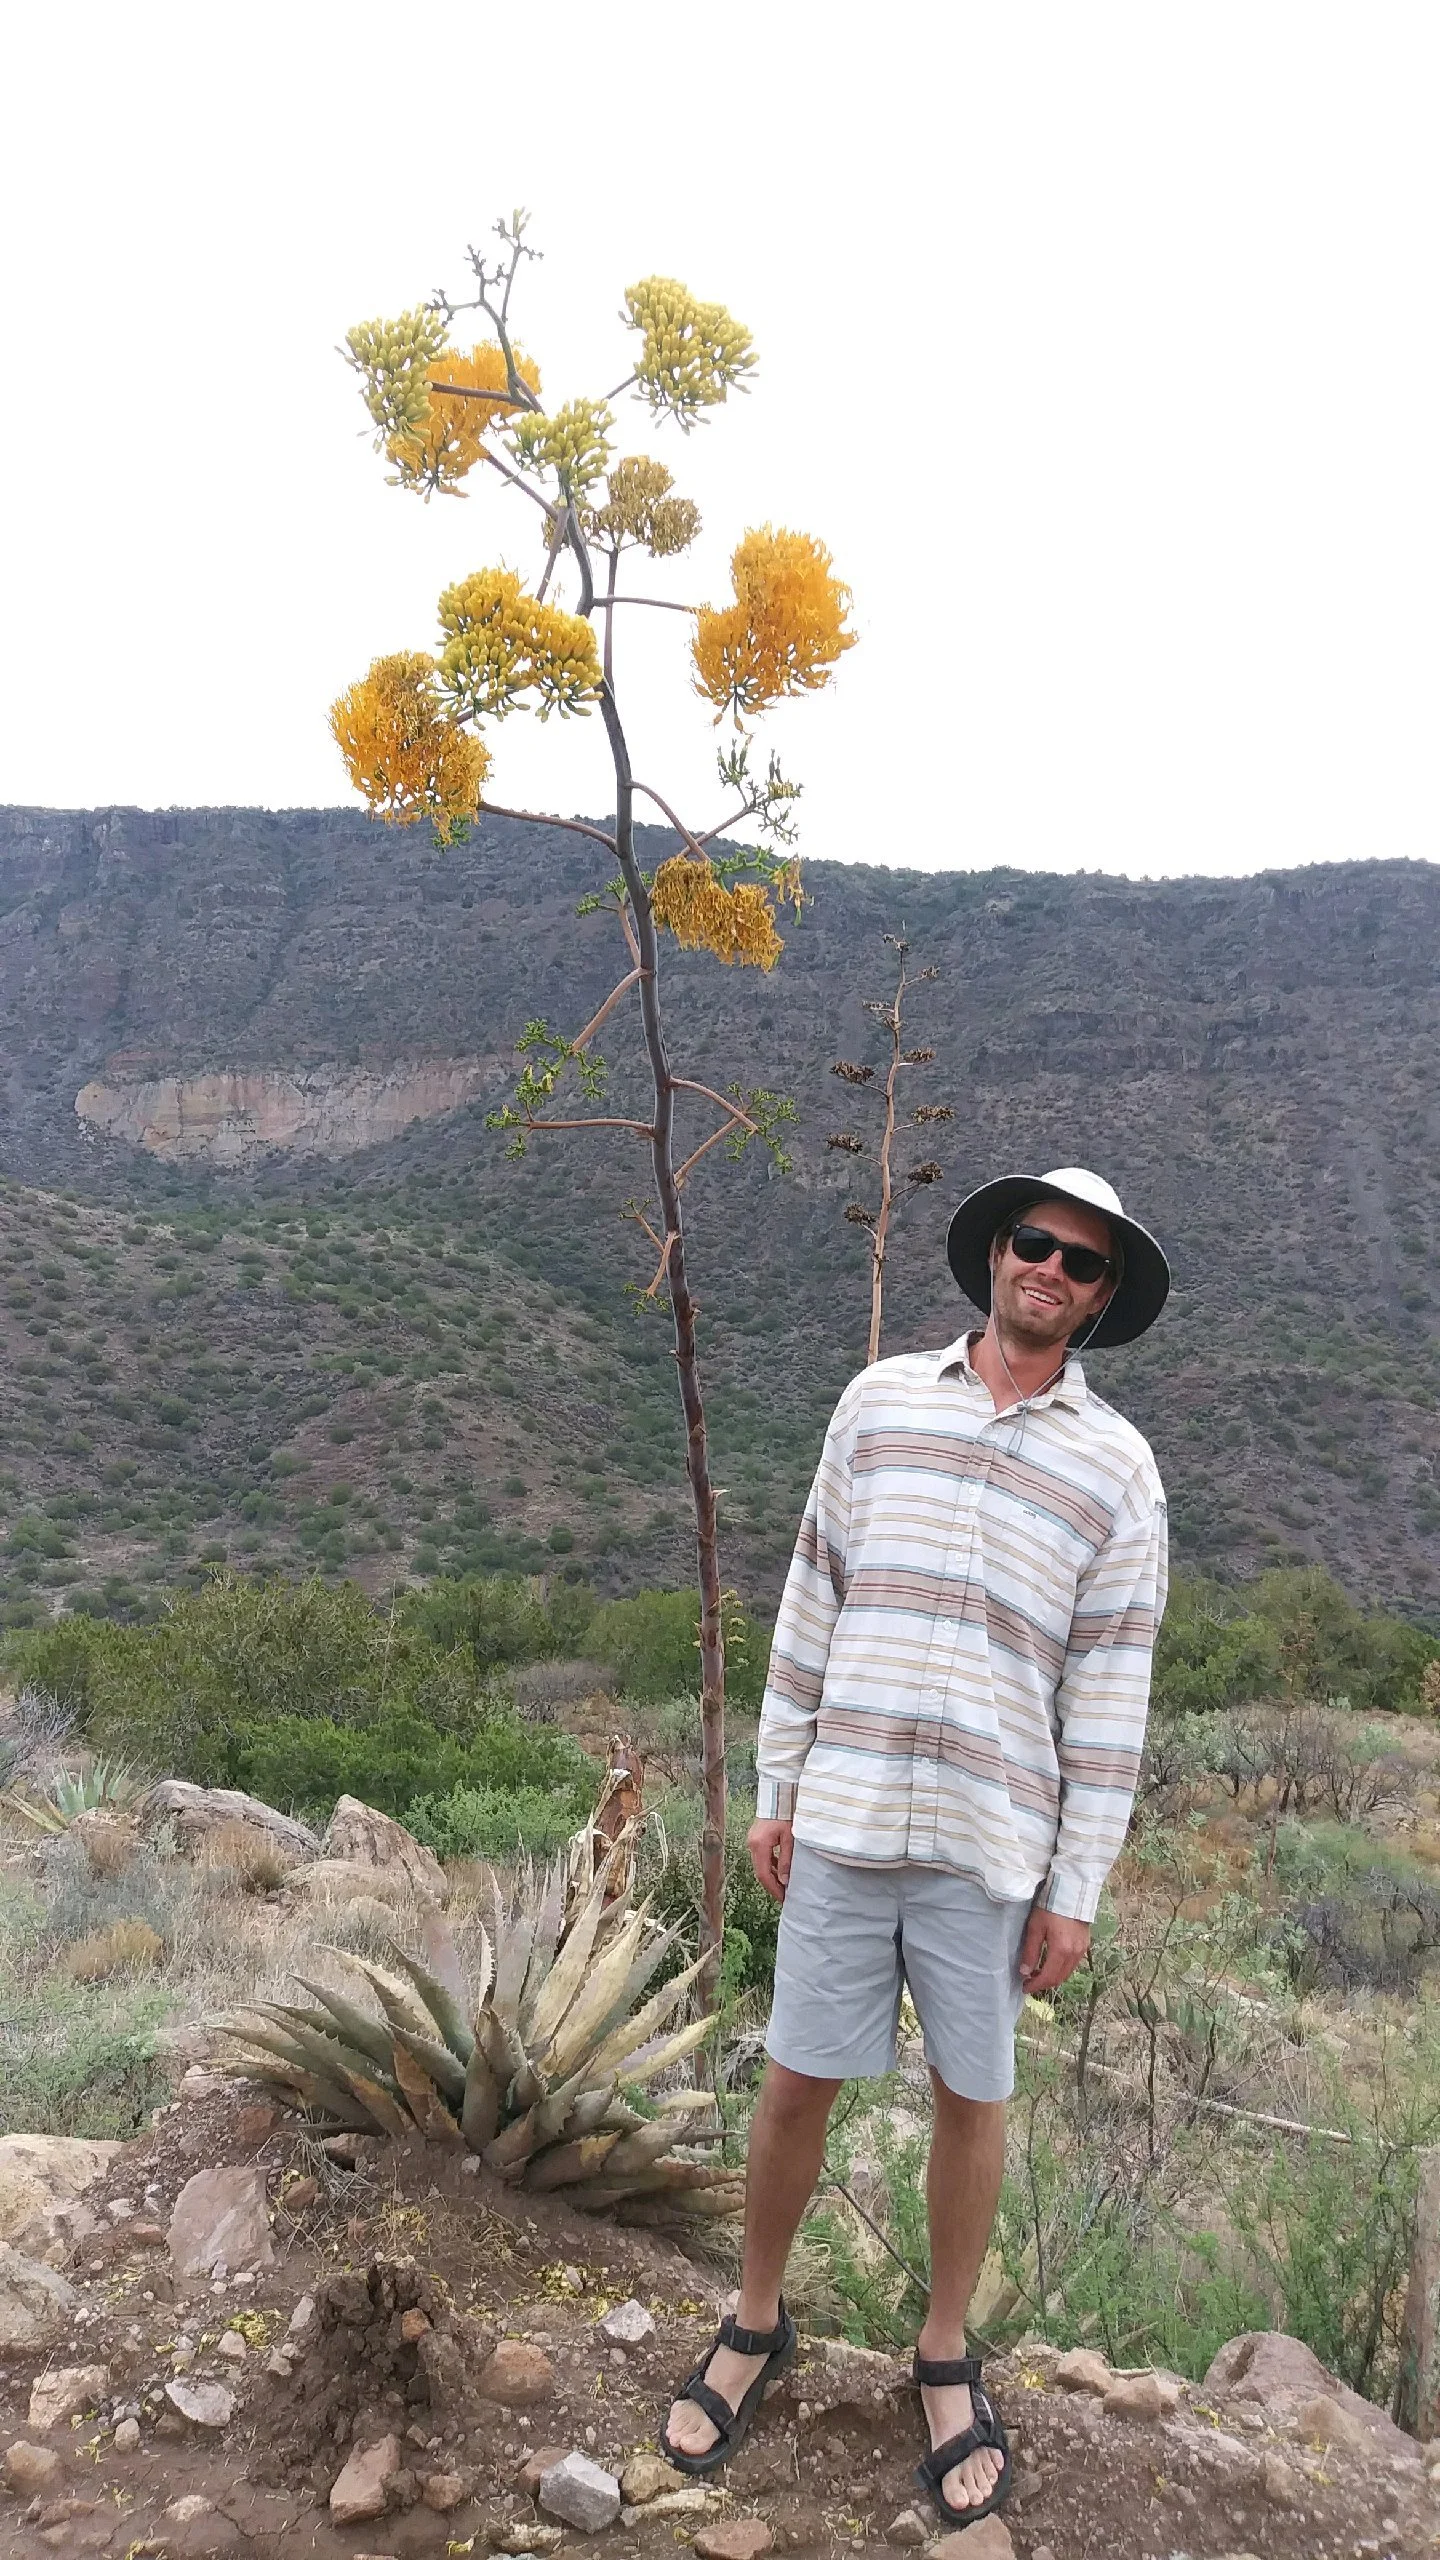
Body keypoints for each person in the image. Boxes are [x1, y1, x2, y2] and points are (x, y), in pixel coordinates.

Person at [660, 1167, 1170, 2530]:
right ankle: (754, 2318)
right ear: (996, 1256)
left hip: (990, 1846)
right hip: (845, 1814)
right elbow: (811, 1595)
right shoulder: (879, 1403)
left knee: (970, 2099)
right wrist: (777, 1787)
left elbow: (1109, 1696)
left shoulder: (1117, 1470)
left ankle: (944, 2352)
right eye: (1033, 1243)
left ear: (1103, 1297)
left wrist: (1078, 1890)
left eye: (1080, 1261)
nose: (1050, 1269)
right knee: (795, 2084)